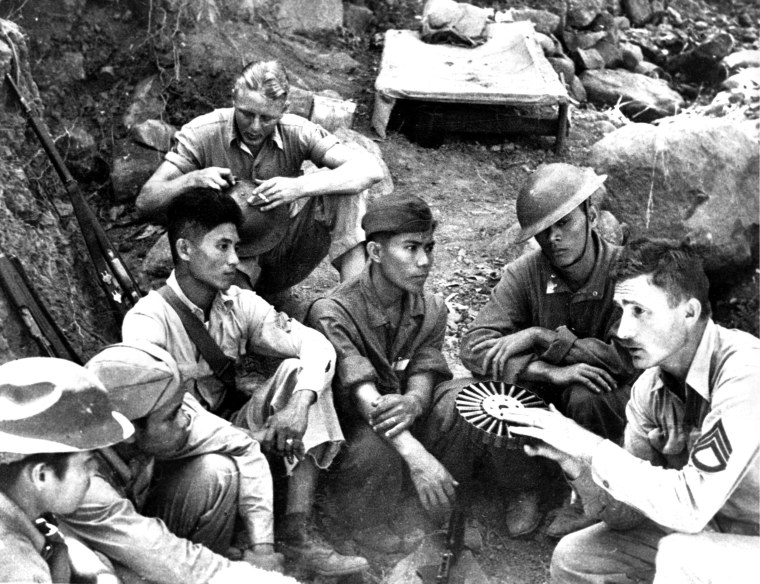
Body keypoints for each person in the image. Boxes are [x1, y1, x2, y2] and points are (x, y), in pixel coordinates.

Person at [121, 188, 368, 577]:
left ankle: (298, 530)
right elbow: (164, 419)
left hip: (232, 429)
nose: (235, 260)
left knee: (299, 373)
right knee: (217, 469)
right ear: (185, 250)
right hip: (180, 454)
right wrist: (250, 440)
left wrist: (298, 404)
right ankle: (221, 563)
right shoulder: (146, 322)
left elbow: (317, 345)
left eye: (236, 246)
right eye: (222, 246)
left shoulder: (237, 303)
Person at [500, 238, 760, 584]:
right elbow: (626, 517)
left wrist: (587, 443)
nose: (622, 331)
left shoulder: (745, 371)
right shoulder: (649, 389)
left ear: (689, 312)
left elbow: (689, 506)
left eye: (639, 311)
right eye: (621, 310)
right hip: (715, 531)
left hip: (740, 537)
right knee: (575, 556)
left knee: (680, 557)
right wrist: (574, 461)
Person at [459, 163, 637, 538]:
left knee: (585, 395)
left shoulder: (624, 270)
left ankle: (590, 495)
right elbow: (475, 348)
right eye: (542, 231)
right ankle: (524, 486)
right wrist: (546, 371)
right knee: (495, 395)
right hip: (551, 388)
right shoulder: (525, 273)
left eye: (564, 223)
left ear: (590, 214)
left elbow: (626, 356)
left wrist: (542, 338)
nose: (553, 238)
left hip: (615, 400)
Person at [307, 194, 473, 552]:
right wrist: (417, 457)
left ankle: (431, 505)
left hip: (400, 417)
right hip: (354, 430)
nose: (424, 261)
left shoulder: (430, 307)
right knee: (374, 445)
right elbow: (361, 393)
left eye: (429, 247)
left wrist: (414, 401)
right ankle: (359, 520)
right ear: (376, 253)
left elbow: (425, 364)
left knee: (464, 398)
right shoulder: (331, 311)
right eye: (411, 248)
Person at [137, 59, 384, 294]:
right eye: (246, 114)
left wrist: (299, 186)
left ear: (284, 110)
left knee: (348, 193)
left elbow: (370, 170)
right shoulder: (202, 132)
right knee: (237, 316)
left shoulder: (297, 131)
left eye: (266, 118)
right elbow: (146, 200)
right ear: (234, 98)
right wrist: (192, 179)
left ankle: (354, 306)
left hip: (284, 252)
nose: (255, 127)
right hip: (230, 260)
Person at [62, 341, 299, 583]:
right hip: (120, 552)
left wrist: (262, 551)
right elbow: (161, 553)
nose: (185, 420)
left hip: (140, 529)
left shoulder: (153, 411)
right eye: (173, 415)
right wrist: (258, 576)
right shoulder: (81, 480)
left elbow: (242, 446)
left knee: (217, 471)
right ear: (127, 430)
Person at [0, 356, 133, 583]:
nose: (94, 472)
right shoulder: (16, 566)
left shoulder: (15, 502)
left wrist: (92, 568)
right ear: (41, 475)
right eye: (87, 463)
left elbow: (50, 531)